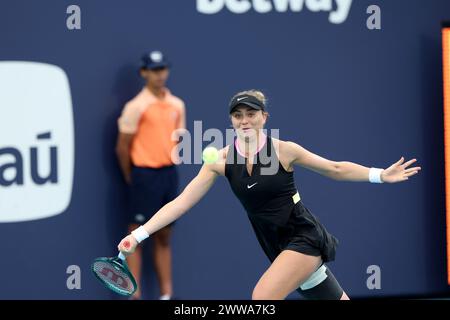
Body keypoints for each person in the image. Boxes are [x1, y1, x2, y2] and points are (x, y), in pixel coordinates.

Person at [117, 89, 421, 300]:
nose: (244, 120)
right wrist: (140, 235)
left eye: (251, 113)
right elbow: (181, 202)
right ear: (232, 121)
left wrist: (379, 175)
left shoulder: (283, 151)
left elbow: (335, 168)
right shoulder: (220, 161)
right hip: (275, 246)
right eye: (238, 115)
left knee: (261, 296)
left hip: (303, 237)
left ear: (265, 117)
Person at [115, 50, 186, 300]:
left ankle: (166, 295)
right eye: (154, 70)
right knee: (136, 236)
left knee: (165, 236)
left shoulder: (177, 105)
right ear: (144, 73)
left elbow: (178, 139)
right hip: (143, 176)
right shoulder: (135, 107)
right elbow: (122, 146)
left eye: (163, 69)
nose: (160, 75)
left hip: (168, 175)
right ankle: (135, 295)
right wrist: (132, 175)